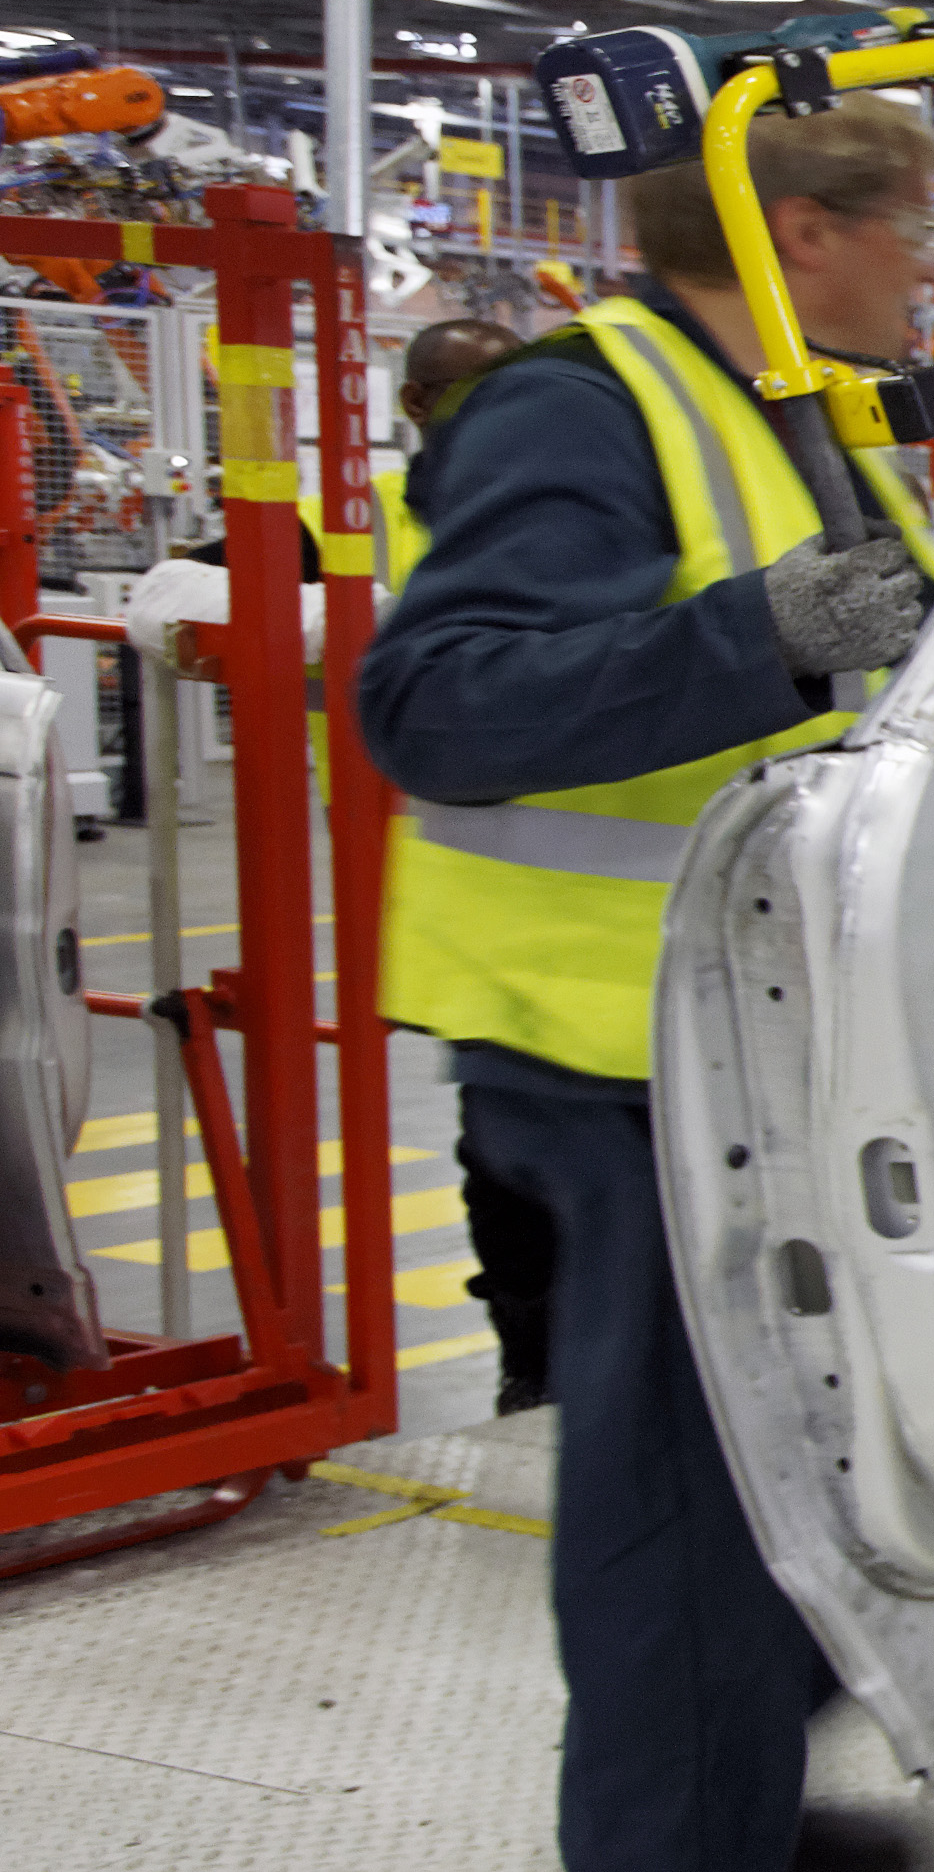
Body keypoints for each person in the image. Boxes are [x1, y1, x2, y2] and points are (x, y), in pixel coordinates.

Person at [361, 99, 934, 1872]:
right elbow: (443, 701)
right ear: (803, 233)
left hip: (741, 1049)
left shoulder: (789, 405)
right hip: (608, 1054)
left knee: (809, 1468)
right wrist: (758, 638)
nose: (927, 278)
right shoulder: (581, 410)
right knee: (686, 1521)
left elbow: (897, 656)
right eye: (910, 239)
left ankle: (740, 1798)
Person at [395, 315, 566, 1411]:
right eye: (469, 390)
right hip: (472, 906)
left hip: (600, 907)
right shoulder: (368, 516)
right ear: (415, 407)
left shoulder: (567, 504)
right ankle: (528, 1366)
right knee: (503, 1170)